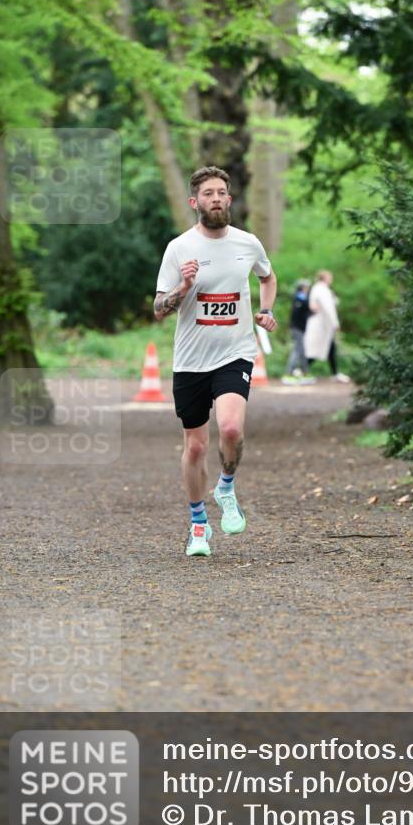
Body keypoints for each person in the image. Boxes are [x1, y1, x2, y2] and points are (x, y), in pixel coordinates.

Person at [153, 165, 277, 557]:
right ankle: (198, 525)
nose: (217, 198)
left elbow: (267, 277)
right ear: (195, 202)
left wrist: (265, 310)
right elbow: (159, 309)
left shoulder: (248, 243)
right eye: (208, 193)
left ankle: (225, 487)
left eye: (222, 192)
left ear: (230, 198)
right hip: (191, 360)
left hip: (234, 353)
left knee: (231, 428)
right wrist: (184, 286)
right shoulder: (179, 248)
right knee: (194, 447)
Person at [304, 270, 350, 382]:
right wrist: (335, 323)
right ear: (325, 278)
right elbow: (328, 307)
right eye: (330, 277)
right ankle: (301, 371)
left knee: (329, 348)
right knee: (314, 349)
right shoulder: (321, 289)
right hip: (320, 325)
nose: (331, 279)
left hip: (322, 324)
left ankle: (335, 373)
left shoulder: (320, 289)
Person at [281, 279, 316, 385]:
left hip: (300, 328)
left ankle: (305, 373)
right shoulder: (300, 298)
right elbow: (299, 313)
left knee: (301, 350)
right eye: (306, 287)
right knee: (297, 350)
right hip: (297, 328)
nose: (308, 289)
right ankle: (289, 373)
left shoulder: (302, 298)